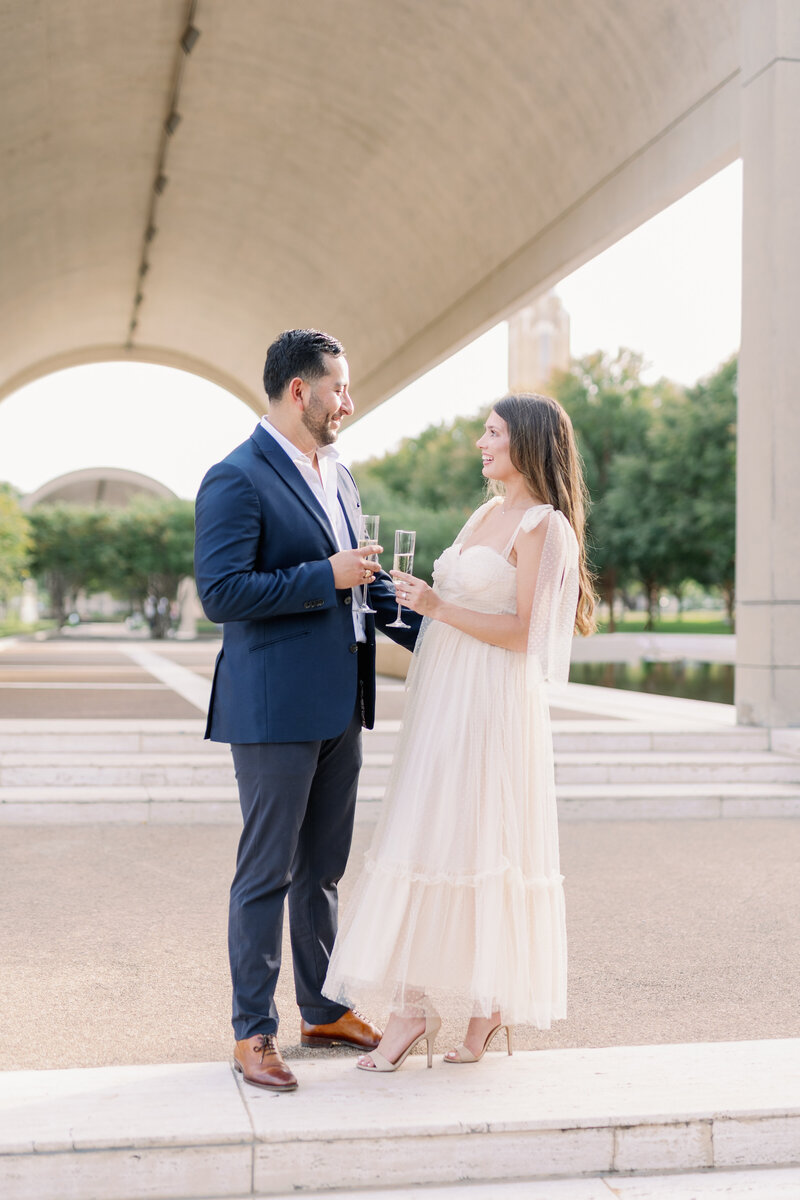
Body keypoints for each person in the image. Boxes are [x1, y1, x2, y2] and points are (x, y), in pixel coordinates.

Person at [323, 392, 596, 1071]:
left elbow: (527, 633)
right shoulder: (484, 513)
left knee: (483, 840)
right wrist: (415, 599)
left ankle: (486, 1004)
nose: (482, 442)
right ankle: (413, 1007)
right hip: (443, 697)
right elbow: (457, 605)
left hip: (491, 704)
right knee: (425, 831)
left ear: (525, 442)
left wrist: (440, 606)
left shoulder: (543, 526)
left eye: (493, 432)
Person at [194, 329, 420, 1092]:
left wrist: (439, 632)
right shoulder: (235, 478)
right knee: (266, 872)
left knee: (322, 870)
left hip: (341, 704)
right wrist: (325, 574)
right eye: (340, 389)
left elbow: (362, 581)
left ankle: (323, 1010)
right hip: (273, 709)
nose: (348, 403)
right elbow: (223, 593)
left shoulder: (341, 476)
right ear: (301, 391)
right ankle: (252, 1032)